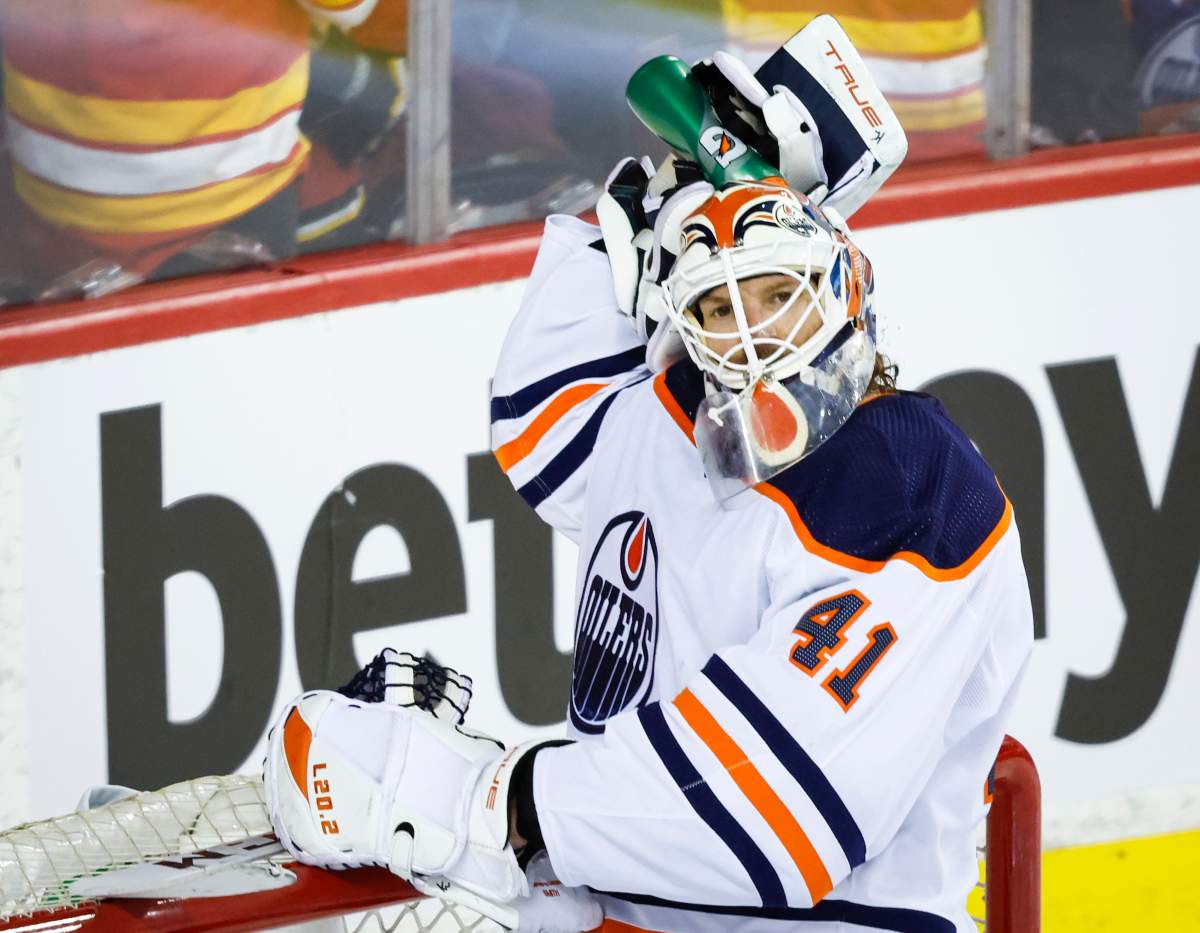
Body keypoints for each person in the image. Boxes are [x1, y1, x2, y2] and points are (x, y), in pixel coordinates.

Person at [264, 65, 1033, 933]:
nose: (752, 333)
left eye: (780, 293)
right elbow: (536, 423)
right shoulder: (669, 416)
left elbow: (776, 813)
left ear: (844, 283)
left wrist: (493, 804)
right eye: (716, 305)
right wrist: (661, 194)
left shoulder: (911, 487)